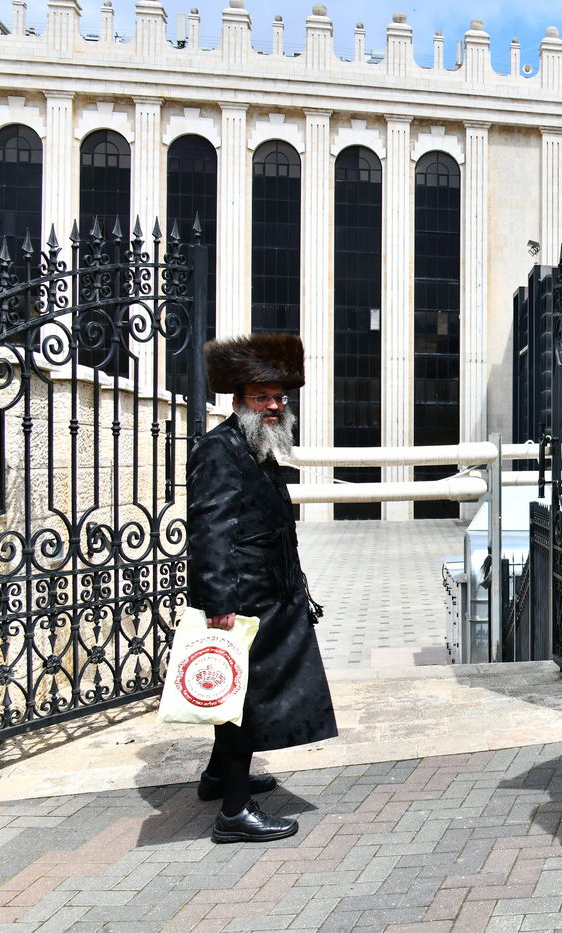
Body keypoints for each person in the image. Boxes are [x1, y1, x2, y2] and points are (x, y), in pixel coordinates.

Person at [187, 332, 338, 843]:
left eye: (279, 397)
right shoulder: (218, 448)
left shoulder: (256, 445)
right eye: (262, 397)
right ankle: (234, 811)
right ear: (239, 401)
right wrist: (220, 601)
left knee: (239, 693)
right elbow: (209, 527)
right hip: (243, 597)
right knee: (242, 700)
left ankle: (216, 777)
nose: (274, 406)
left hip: (269, 590)